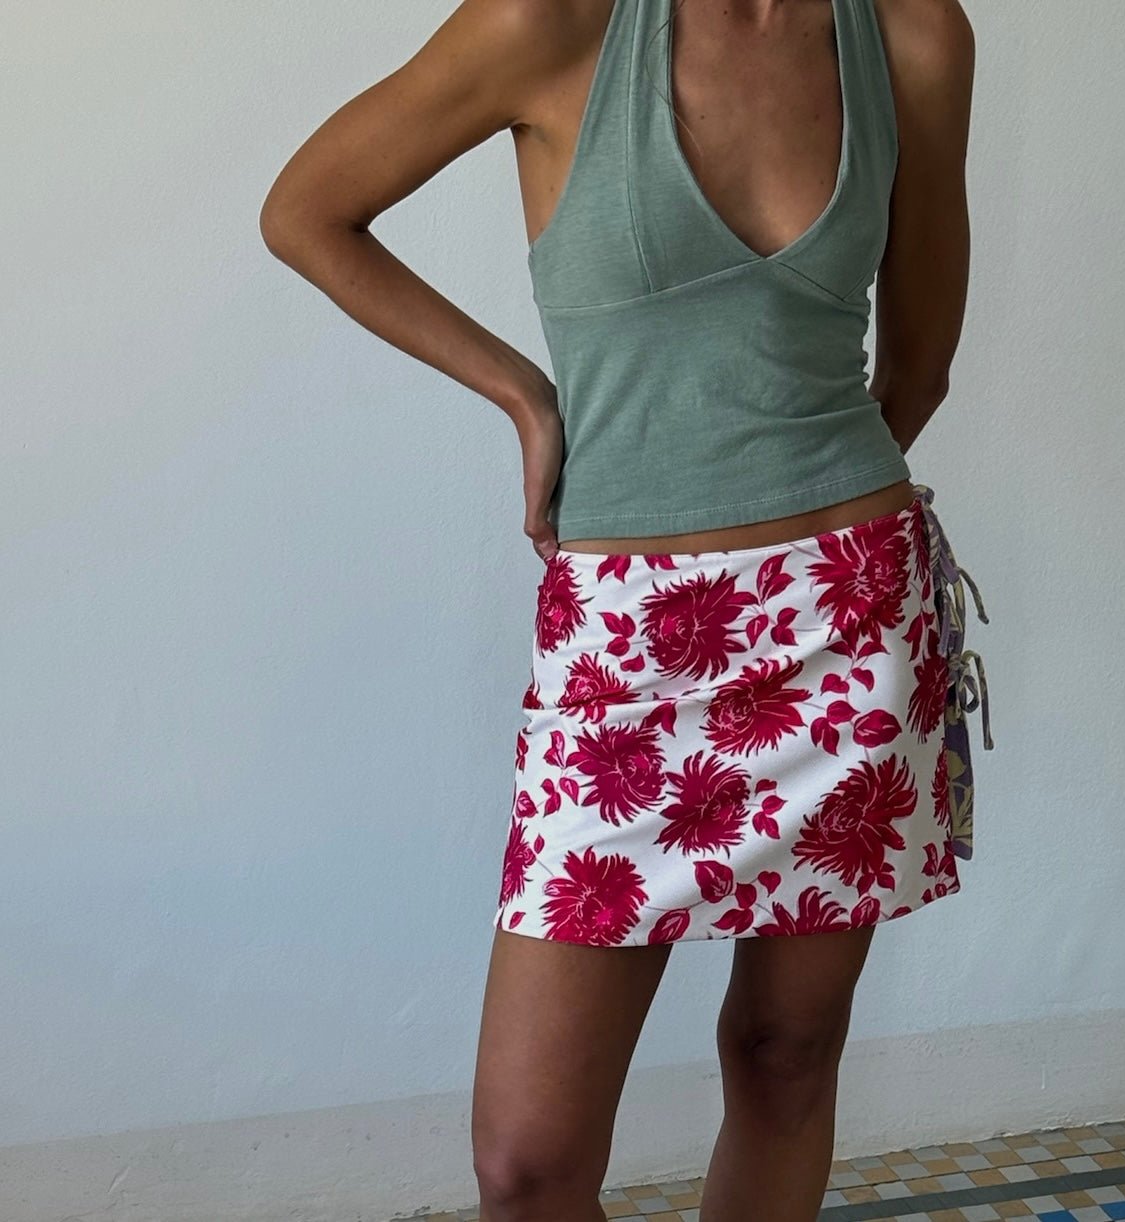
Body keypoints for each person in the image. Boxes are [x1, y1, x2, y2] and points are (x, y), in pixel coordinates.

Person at [260, 0, 982, 1217]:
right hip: (626, 642)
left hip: (848, 626)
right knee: (527, 1162)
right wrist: (525, 396)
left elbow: (919, 365)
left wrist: (793, 530)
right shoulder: (549, 21)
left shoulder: (913, 34)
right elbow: (307, 211)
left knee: (786, 1055)